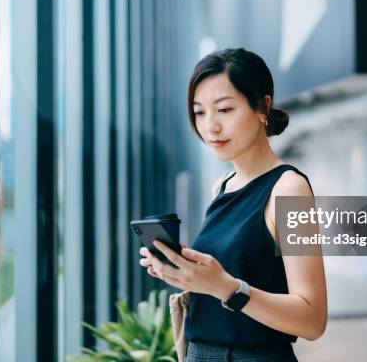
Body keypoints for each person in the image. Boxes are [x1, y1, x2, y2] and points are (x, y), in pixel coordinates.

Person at [139, 48, 327, 361]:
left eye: (224, 110)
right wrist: (185, 273)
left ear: (262, 107)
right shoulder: (222, 187)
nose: (210, 126)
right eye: (199, 112)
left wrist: (228, 288)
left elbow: (313, 319)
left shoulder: (289, 190)